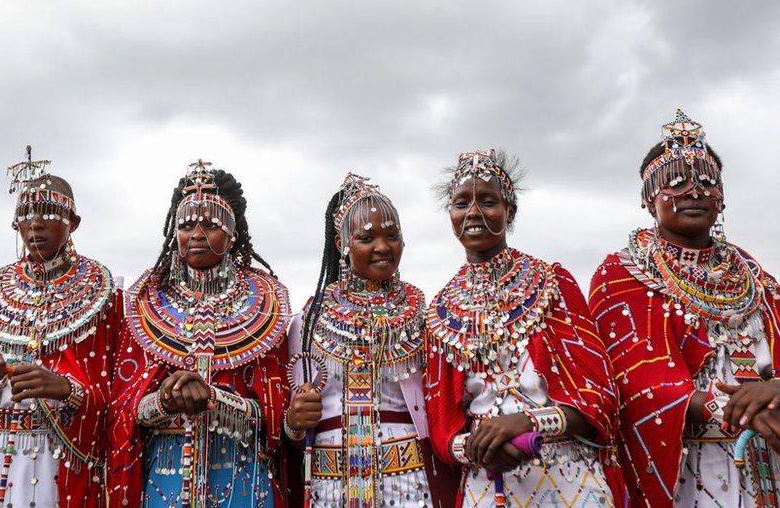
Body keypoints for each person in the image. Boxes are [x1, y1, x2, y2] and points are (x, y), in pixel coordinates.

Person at [589, 110, 780, 506]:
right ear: (648, 199)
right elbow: (635, 382)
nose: (695, 191)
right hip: (689, 468)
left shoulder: (757, 278)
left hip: (771, 457)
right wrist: (733, 407)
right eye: (676, 181)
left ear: (722, 197)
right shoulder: (621, 275)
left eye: (707, 182)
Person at [425, 149, 625, 507]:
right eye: (461, 204)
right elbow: (441, 432)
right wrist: (475, 447)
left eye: (487, 201)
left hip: (570, 481)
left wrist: (527, 423)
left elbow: (600, 401)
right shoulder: (439, 312)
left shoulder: (553, 285)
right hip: (487, 486)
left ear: (510, 211)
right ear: (450, 215)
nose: (473, 212)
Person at [108, 160, 291, 507]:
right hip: (165, 476)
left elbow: (277, 415)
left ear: (233, 232)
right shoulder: (145, 300)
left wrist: (215, 399)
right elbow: (123, 410)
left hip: (243, 477)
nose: (196, 234)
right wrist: (164, 402)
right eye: (186, 224)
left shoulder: (268, 303)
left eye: (211, 224)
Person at [0, 148, 119, 507]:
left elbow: (119, 397)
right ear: (16, 225)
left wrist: (66, 390)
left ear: (72, 222)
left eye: (48, 213)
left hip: (56, 455)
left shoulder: (104, 294)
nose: (36, 224)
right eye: (26, 215)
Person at [284, 173, 456, 507]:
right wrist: (293, 422)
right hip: (330, 486)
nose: (382, 247)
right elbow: (293, 429)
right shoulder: (308, 323)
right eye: (366, 238)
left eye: (392, 236)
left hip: (408, 482)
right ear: (341, 245)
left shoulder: (425, 316)